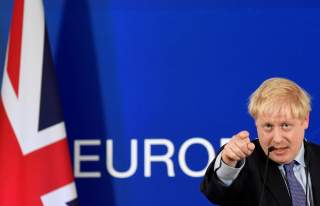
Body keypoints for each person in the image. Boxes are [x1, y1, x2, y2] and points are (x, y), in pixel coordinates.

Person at [201, 77, 320, 206]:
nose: (277, 139)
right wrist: (229, 163)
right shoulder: (244, 163)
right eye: (268, 126)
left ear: (305, 120)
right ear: (256, 124)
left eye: (285, 125)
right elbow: (216, 193)